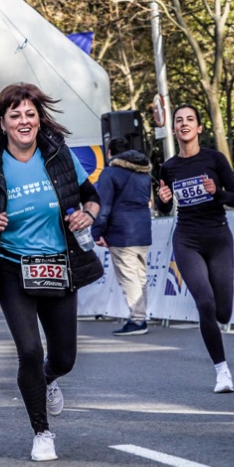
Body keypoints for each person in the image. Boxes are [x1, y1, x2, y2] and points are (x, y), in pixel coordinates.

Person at [0, 82, 103, 462]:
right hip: (12, 267)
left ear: (39, 118)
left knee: (63, 359)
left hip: (59, 264)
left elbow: (91, 196)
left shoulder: (58, 154)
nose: (24, 121)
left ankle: (48, 381)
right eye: (16, 115)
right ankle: (42, 432)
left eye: (30, 114)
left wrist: (85, 215)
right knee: (29, 350)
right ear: (3, 122)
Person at [155, 104, 234, 393]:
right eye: (179, 120)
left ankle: (219, 323)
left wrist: (215, 192)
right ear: (174, 129)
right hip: (187, 239)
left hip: (218, 237)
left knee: (223, 312)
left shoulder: (214, 159)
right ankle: (222, 372)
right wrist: (163, 199)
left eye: (190, 120)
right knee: (204, 302)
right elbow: (165, 207)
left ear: (199, 128)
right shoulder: (168, 167)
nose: (184, 124)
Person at [91, 136, 154, 336]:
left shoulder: (110, 173)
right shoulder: (144, 172)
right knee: (140, 276)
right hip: (143, 230)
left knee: (128, 277)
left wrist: (97, 230)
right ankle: (141, 315)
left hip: (121, 232)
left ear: (109, 153)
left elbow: (105, 205)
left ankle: (137, 320)